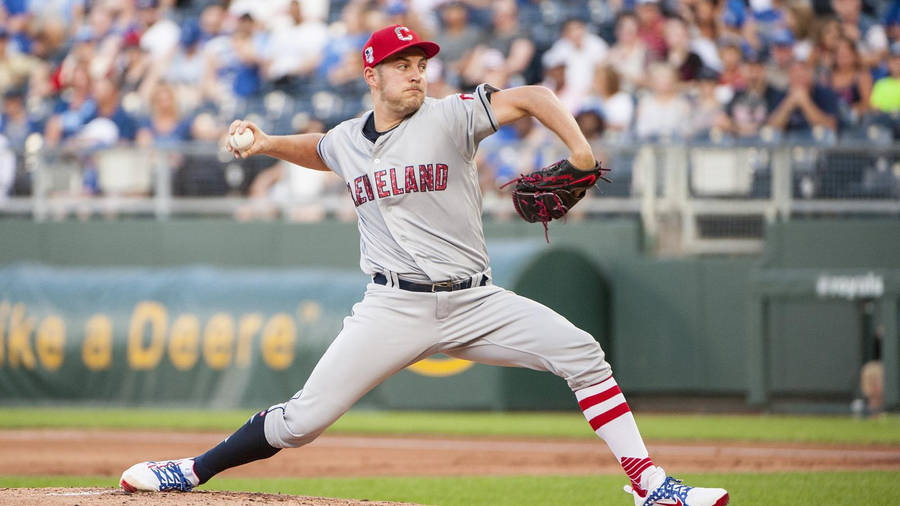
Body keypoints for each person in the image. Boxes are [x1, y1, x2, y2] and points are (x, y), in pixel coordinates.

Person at [118, 24, 730, 506]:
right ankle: (191, 470)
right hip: (393, 307)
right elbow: (323, 149)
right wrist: (268, 143)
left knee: (583, 354)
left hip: (475, 301)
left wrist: (580, 152)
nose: (415, 74)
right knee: (301, 423)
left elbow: (536, 97)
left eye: (420, 64)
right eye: (401, 66)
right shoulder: (349, 139)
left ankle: (651, 485)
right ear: (372, 75)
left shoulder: (450, 115)